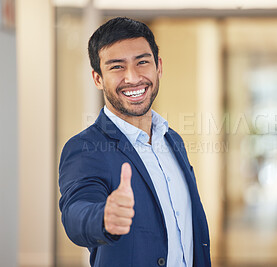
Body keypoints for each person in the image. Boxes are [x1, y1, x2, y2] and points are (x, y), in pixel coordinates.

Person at [58, 17, 211, 267]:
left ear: (158, 66)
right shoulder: (85, 148)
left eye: (142, 62)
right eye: (117, 67)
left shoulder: (172, 140)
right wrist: (103, 217)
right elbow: (77, 211)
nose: (133, 77)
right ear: (97, 78)